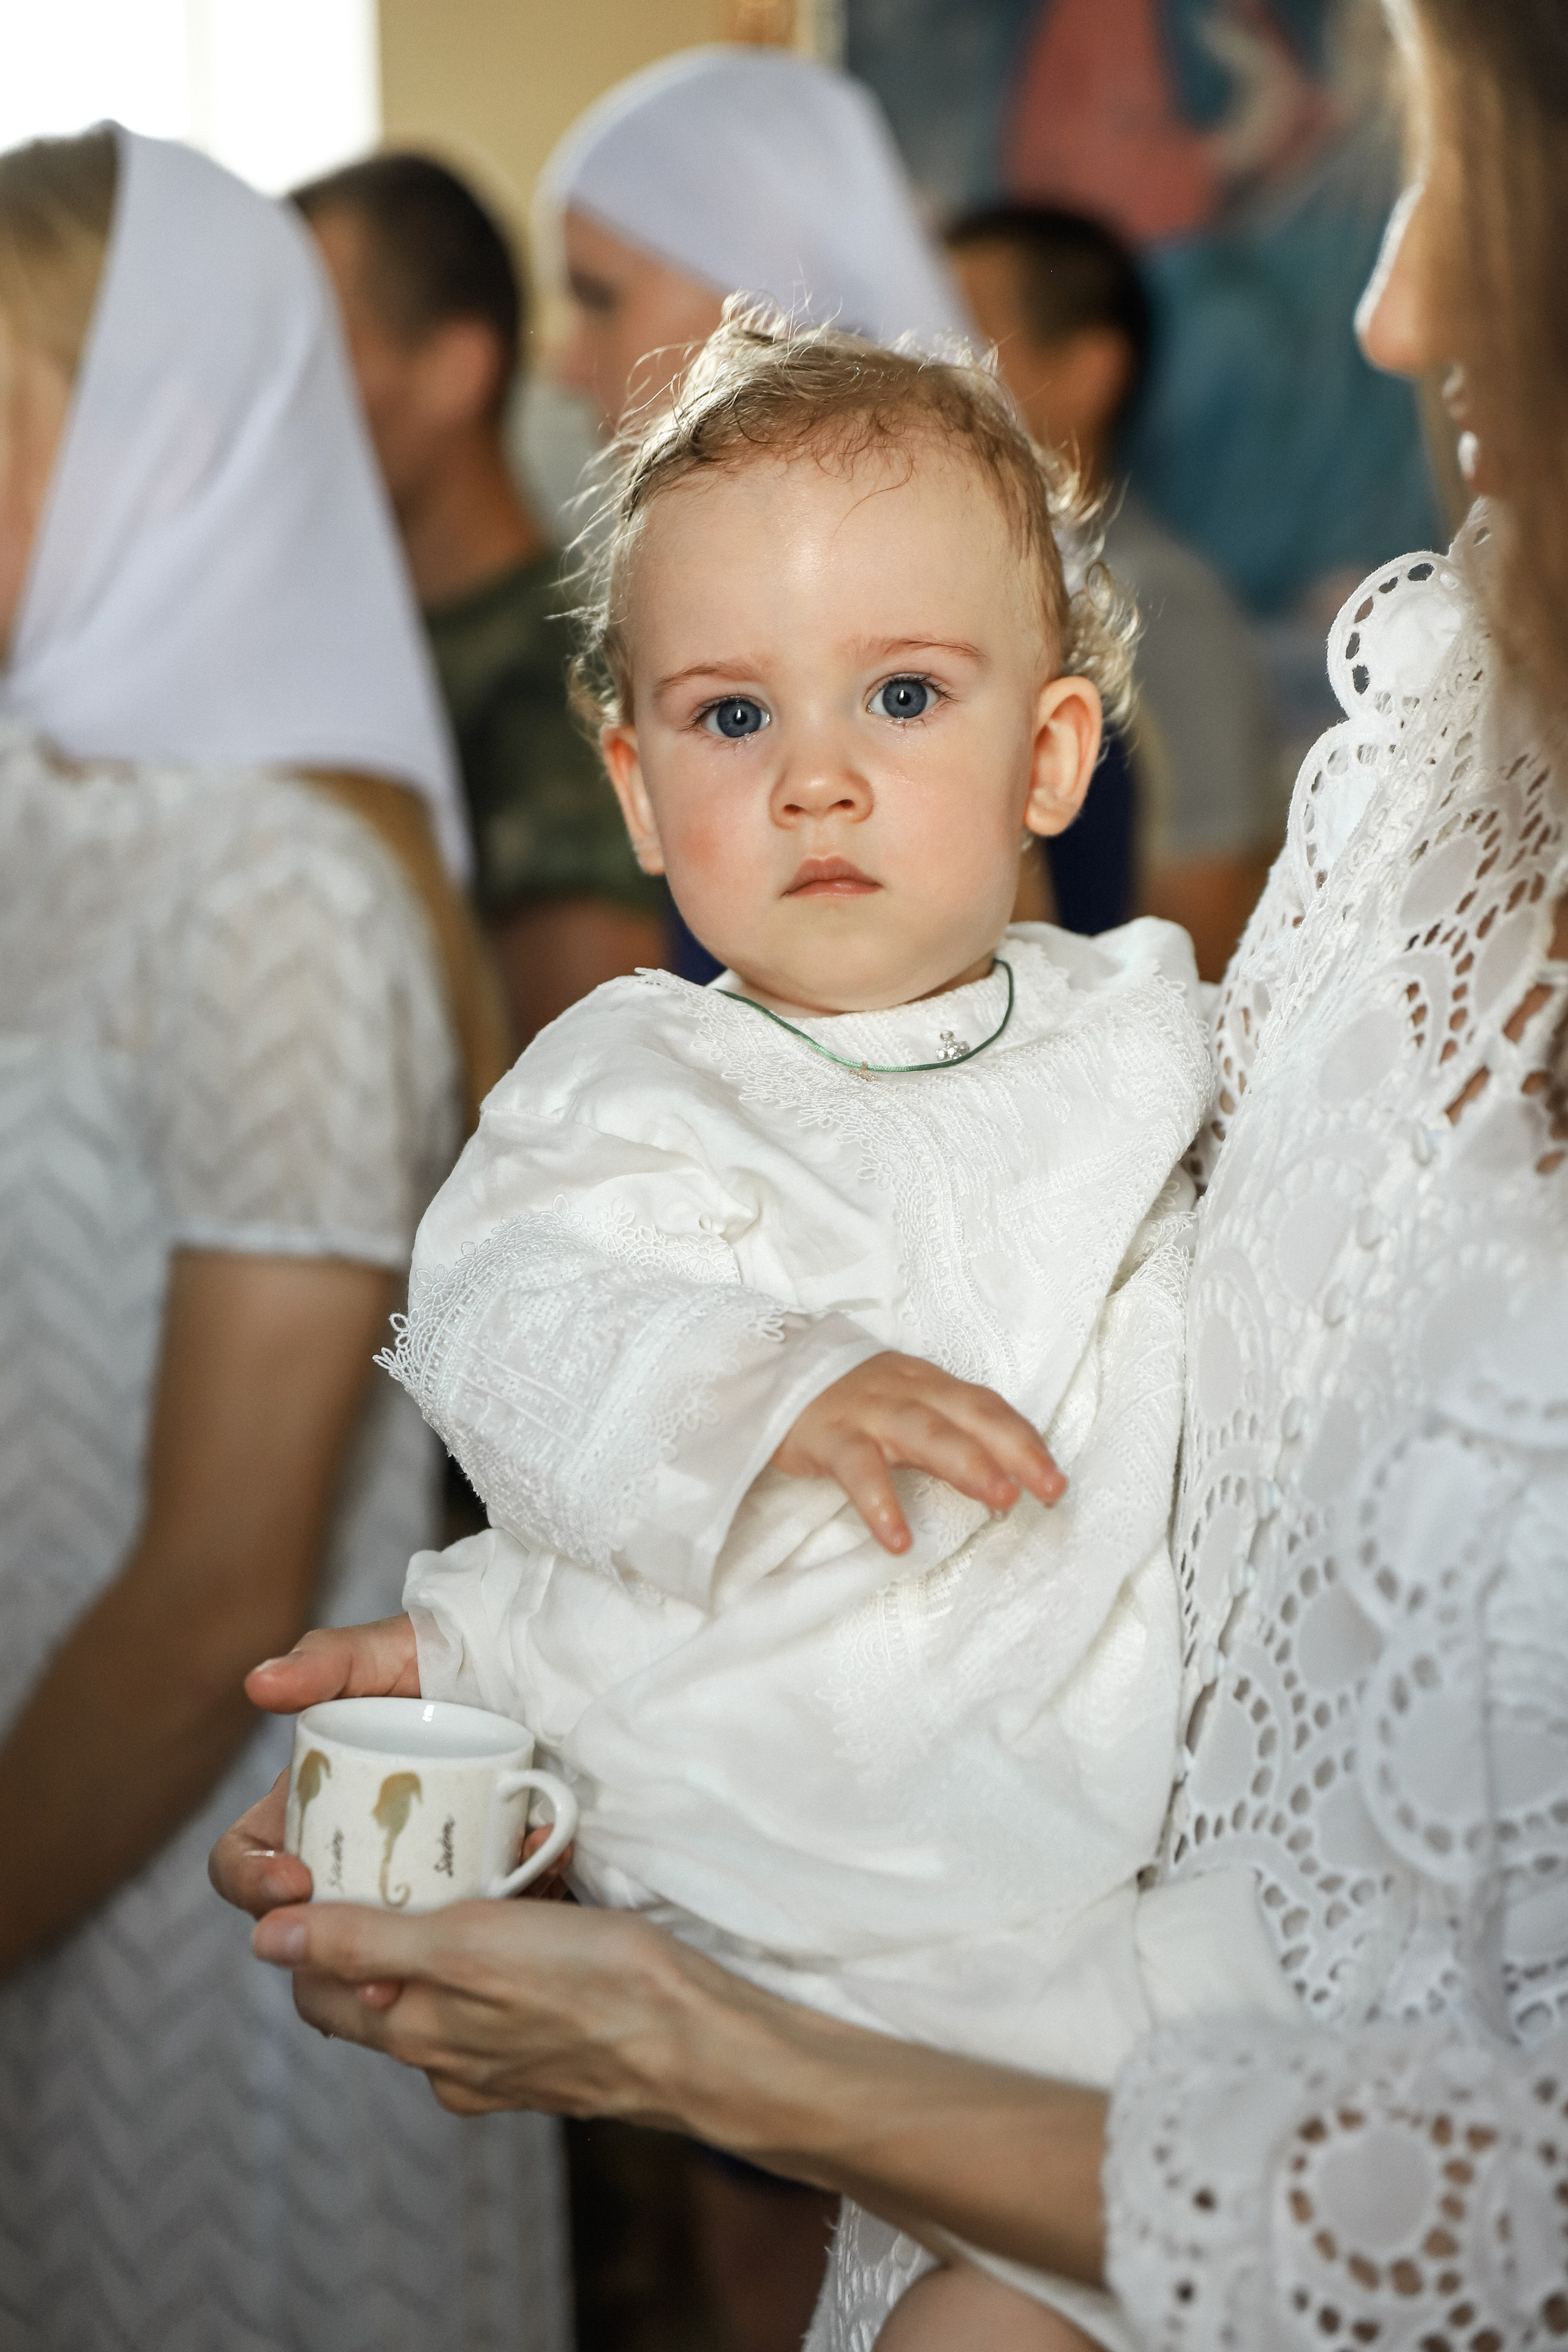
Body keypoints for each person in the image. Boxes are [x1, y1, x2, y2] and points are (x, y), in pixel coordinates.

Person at [214, 0, 1568, 2344]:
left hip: (1093, 1892)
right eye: (734, 719)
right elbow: (513, 1319)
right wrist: (758, 1383)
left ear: (1057, 753)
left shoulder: (1154, 1023)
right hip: (753, 1812)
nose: (816, 781)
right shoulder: (630, 1079)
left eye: (902, 701)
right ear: (637, 792)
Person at [0, 126, 566, 2350]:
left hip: (196, 1912)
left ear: (149, 439)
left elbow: (217, 1584)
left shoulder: (280, 902)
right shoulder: (46, 820)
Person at [537, 46, 1139, 950]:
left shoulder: (994, 633)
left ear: (757, 283)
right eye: (735, 717)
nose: (564, 364)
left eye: (600, 297)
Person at [294, 152, 665, 1047]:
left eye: (312, 350)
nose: (278, 399)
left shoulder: (558, 676)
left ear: (454, 370)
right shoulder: (324, 640)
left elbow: (581, 1073)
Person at [947, 205, 1278, 981]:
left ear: (1092, 371)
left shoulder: (1157, 604)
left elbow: (1203, 934)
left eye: (961, 333)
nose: (924, 365)